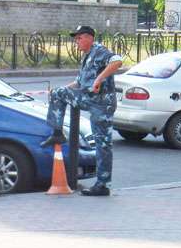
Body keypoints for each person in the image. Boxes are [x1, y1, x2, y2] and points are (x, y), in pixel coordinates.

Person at [41, 25, 123, 196]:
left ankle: (102, 185)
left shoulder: (99, 50)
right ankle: (57, 131)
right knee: (58, 93)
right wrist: (62, 90)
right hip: (90, 99)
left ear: (89, 38)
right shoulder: (87, 57)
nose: (76, 42)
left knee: (103, 145)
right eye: (75, 39)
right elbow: (78, 83)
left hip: (101, 104)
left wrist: (99, 79)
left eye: (79, 38)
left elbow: (117, 61)